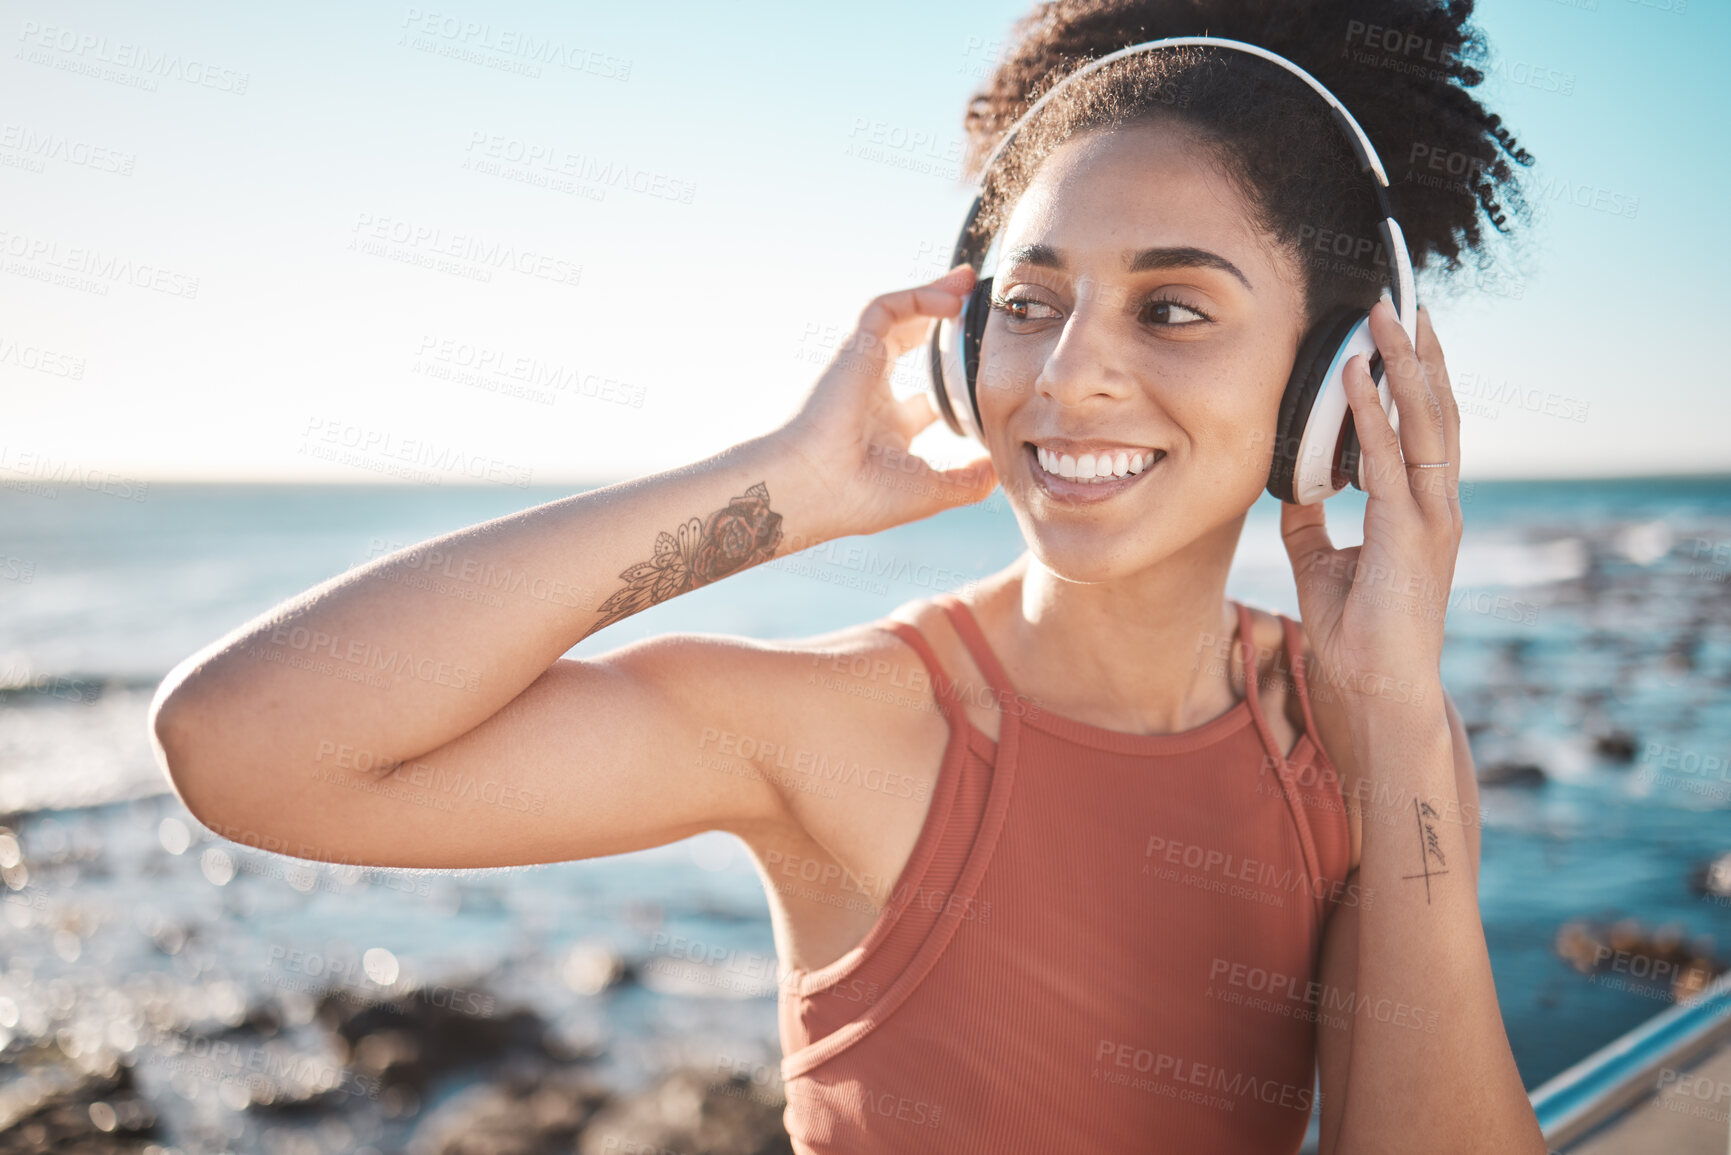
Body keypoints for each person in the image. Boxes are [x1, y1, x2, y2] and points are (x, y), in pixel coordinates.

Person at [149, 0, 1547, 1150]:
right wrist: (785, 489)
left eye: (1173, 309)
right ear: (962, 343)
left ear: (1332, 384)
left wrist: (1394, 715)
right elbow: (243, 748)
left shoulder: (1366, 731)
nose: (1069, 374)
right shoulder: (840, 725)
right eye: (1030, 304)